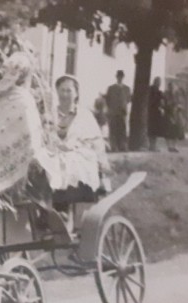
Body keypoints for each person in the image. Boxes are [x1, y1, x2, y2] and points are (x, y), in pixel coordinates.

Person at [53, 75, 111, 205]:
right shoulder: (51, 113)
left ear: (76, 93)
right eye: (62, 90)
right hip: (55, 155)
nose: (65, 94)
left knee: (68, 163)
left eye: (69, 91)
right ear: (57, 92)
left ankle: (63, 206)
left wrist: (102, 165)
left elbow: (96, 142)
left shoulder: (84, 115)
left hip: (79, 158)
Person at [104, 70, 131, 152]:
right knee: (113, 129)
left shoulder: (127, 88)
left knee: (122, 129)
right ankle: (114, 146)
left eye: (121, 76)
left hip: (122, 112)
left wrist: (123, 107)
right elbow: (107, 100)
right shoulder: (111, 88)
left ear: (123, 77)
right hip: (113, 112)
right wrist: (111, 108)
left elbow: (128, 99)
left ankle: (122, 146)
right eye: (118, 76)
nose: (120, 78)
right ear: (116, 77)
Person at [163, 84, 185, 152]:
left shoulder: (177, 97)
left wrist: (179, 107)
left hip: (177, 115)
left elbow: (181, 105)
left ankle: (174, 146)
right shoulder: (166, 95)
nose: (172, 90)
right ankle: (169, 146)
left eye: (173, 88)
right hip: (169, 114)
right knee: (168, 131)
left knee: (176, 130)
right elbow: (164, 105)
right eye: (171, 88)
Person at [148, 77, 166, 151]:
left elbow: (162, 102)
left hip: (156, 112)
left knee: (155, 130)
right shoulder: (150, 90)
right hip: (151, 112)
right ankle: (151, 145)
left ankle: (153, 145)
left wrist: (162, 106)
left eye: (159, 82)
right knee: (151, 129)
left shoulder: (159, 92)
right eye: (158, 82)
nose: (159, 84)